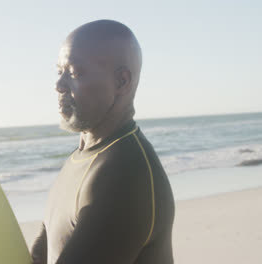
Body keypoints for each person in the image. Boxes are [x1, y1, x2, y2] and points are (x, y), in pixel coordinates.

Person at [30, 20, 175, 264]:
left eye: (74, 73)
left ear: (121, 82)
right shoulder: (83, 158)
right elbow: (40, 256)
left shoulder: (125, 173)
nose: (59, 85)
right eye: (59, 71)